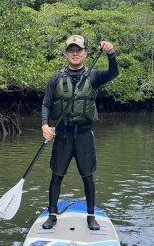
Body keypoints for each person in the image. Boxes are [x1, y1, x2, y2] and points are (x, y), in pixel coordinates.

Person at [40, 35, 118, 230]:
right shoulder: (56, 78)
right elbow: (46, 104)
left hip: (84, 134)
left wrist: (111, 54)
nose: (75, 53)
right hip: (63, 134)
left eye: (79, 50)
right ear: (66, 54)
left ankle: (91, 215)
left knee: (87, 176)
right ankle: (52, 214)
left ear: (85, 53)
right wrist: (44, 125)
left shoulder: (94, 76)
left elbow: (114, 72)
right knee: (57, 175)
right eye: (71, 50)